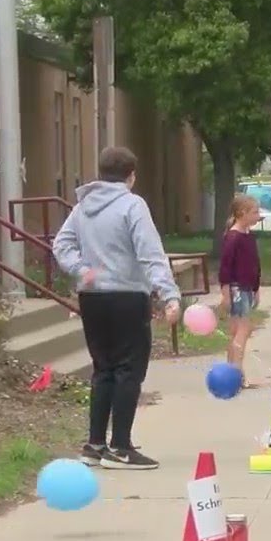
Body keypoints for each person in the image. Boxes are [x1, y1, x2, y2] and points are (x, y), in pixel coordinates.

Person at [53, 146, 181, 471]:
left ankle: (95, 444)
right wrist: (169, 294)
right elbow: (150, 252)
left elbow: (61, 244)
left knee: (103, 367)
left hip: (93, 296)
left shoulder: (83, 207)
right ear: (131, 175)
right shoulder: (132, 205)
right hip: (126, 295)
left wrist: (81, 269)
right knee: (129, 369)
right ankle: (121, 447)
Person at [219, 194, 262, 388]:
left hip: (247, 287)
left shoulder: (247, 236)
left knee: (238, 330)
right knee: (242, 330)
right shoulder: (233, 237)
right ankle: (237, 371)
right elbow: (225, 267)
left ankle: (232, 370)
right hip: (237, 288)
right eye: (254, 212)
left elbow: (255, 264)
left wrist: (256, 288)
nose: (258, 216)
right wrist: (226, 292)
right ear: (241, 213)